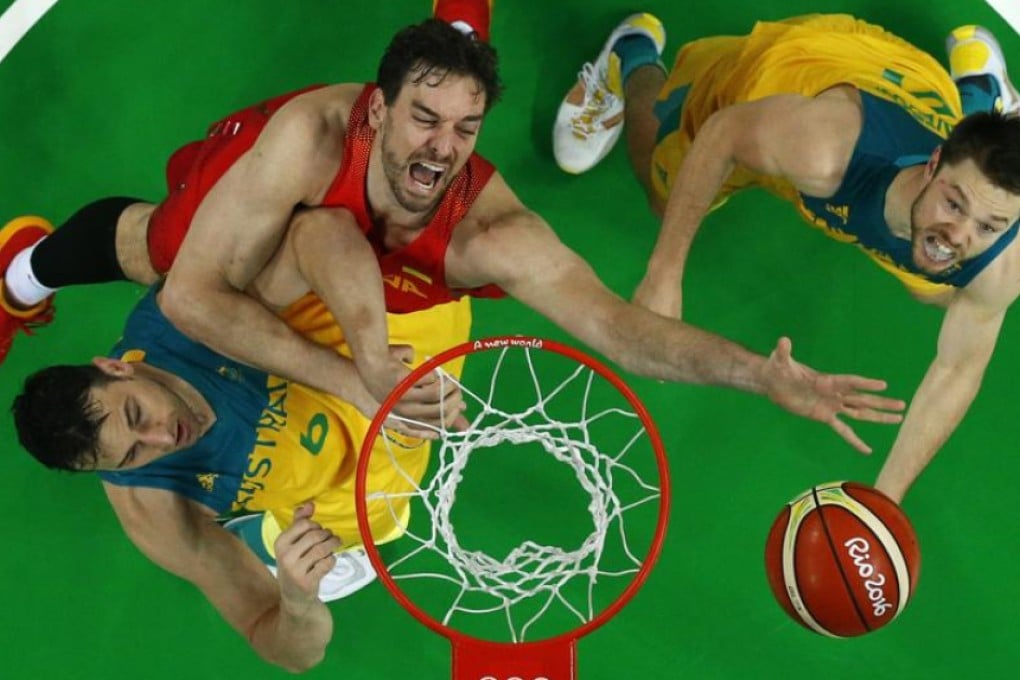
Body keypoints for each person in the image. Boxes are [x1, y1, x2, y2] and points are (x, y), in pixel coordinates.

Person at [0, 3, 903, 451]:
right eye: (425, 122)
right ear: (378, 107)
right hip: (299, 193)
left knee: (312, 249)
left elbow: (621, 329)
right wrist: (356, 382)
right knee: (160, 250)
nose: (443, 151)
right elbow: (194, 299)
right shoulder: (310, 137)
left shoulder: (492, 234)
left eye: (466, 130)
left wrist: (760, 375)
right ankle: (23, 273)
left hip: (373, 250)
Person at [552, 14, 1020, 502]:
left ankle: (982, 96)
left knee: (943, 289)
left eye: (988, 226)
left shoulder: (999, 255)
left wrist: (885, 500)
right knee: (662, 191)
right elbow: (724, 134)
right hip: (797, 77)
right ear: (932, 167)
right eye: (954, 205)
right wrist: (665, 271)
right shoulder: (823, 151)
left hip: (917, 88)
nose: (959, 236)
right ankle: (631, 57)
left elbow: (956, 370)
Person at [12, 206, 472, 672]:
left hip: (391, 338)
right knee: (363, 528)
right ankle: (287, 544)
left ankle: (19, 277)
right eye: (134, 454)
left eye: (137, 413)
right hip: (346, 498)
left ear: (116, 367)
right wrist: (296, 601)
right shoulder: (154, 505)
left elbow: (320, 233)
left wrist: (370, 366)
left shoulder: (190, 313)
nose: (162, 437)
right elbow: (289, 651)